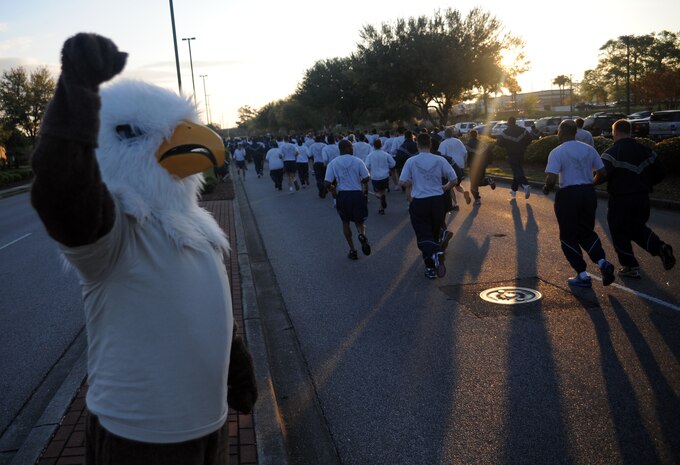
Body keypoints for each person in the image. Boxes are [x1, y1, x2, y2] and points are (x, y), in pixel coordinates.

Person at [30, 33, 256, 465]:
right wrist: (75, 97)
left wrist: (235, 365)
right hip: (139, 439)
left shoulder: (197, 228)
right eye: (133, 133)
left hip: (209, 424)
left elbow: (204, 310)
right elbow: (63, 192)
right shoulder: (115, 232)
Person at [596, 119, 675, 277]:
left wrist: (591, 182)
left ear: (615, 132)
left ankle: (630, 266)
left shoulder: (611, 153)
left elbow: (602, 175)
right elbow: (661, 171)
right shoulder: (646, 150)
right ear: (630, 131)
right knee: (636, 228)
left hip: (620, 199)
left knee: (619, 231)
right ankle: (660, 247)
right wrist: (646, 182)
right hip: (642, 197)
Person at [543, 119, 615, 287]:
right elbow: (603, 172)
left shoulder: (557, 152)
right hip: (588, 193)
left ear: (560, 132)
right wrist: (591, 182)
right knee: (586, 231)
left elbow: (551, 177)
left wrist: (547, 187)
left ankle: (582, 274)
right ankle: (603, 262)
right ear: (575, 132)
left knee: (568, 235)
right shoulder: (589, 149)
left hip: (568, 194)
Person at [399, 133, 458, 279]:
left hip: (420, 201)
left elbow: (402, 182)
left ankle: (432, 264)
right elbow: (454, 179)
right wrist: (444, 188)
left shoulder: (411, 161)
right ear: (430, 145)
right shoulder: (440, 160)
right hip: (438, 201)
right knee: (434, 232)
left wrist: (411, 183)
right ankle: (435, 255)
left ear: (417, 145)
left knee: (423, 234)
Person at [324, 139, 372, 260]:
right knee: (359, 221)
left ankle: (352, 250)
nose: (352, 149)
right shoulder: (358, 161)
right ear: (348, 148)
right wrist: (360, 181)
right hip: (356, 194)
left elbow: (327, 182)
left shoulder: (333, 163)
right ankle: (361, 235)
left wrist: (332, 188)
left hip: (343, 195)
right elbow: (367, 177)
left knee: (345, 222)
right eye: (351, 147)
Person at [497, 116, 532, 199]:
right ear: (515, 122)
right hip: (521, 153)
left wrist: (507, 145)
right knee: (517, 170)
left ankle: (525, 184)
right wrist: (523, 145)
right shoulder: (523, 130)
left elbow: (499, 143)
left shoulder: (505, 132)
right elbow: (530, 139)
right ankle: (513, 190)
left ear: (508, 122)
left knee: (517, 170)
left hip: (511, 154)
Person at [438, 127, 471, 209]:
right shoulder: (458, 141)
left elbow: (441, 156)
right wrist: (464, 163)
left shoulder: (443, 143)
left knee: (450, 186)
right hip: (460, 166)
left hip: (451, 166)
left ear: (445, 134)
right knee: (457, 184)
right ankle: (464, 192)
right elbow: (465, 152)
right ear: (452, 133)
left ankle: (456, 204)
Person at [365, 138, 396, 215]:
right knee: (383, 191)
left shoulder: (370, 155)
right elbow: (393, 164)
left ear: (374, 146)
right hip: (385, 176)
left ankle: (381, 205)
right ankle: (381, 208)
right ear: (381, 145)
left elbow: (366, 166)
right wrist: (387, 166)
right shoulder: (386, 154)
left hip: (375, 177)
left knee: (377, 193)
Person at [465, 129, 496, 205]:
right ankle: (488, 180)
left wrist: (465, 164)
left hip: (473, 167)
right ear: (477, 135)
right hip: (482, 165)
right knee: (480, 181)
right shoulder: (483, 144)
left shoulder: (467, 145)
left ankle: (477, 199)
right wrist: (488, 162)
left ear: (470, 136)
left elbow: (465, 156)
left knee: (473, 184)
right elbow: (490, 153)